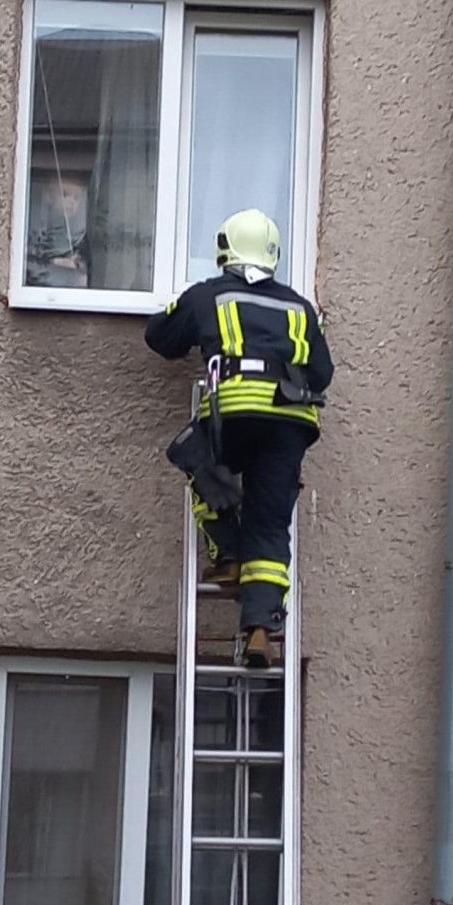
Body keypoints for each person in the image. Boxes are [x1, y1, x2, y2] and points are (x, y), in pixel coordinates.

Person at [145, 208, 334, 667]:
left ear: (225, 249)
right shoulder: (300, 308)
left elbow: (161, 337)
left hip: (232, 414)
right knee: (270, 521)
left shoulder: (210, 295)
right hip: (290, 422)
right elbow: (322, 373)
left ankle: (228, 553)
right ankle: (259, 628)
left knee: (198, 459)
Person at [26, 171, 90, 289]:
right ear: (49, 196)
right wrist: (54, 261)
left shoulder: (79, 232)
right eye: (65, 195)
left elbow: (85, 261)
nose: (71, 202)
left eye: (76, 198)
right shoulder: (37, 225)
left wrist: (77, 264)